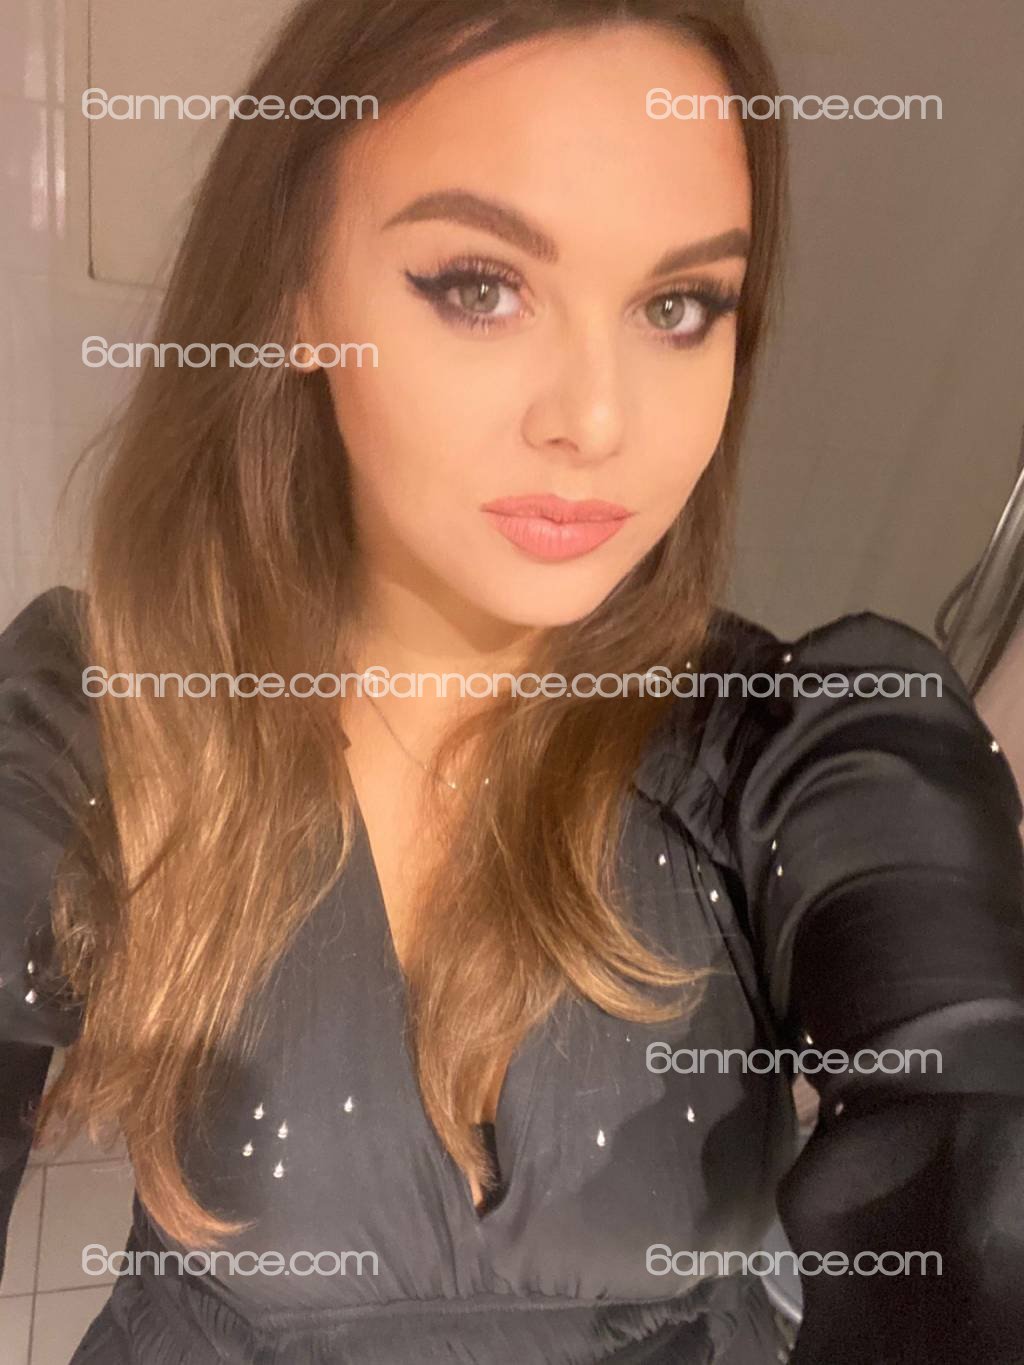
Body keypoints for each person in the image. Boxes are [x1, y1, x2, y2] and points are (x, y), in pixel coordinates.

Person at [1, 1, 1023, 1361]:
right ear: (292, 293)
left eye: (677, 306)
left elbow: (973, 1164)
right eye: (481, 286)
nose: (596, 418)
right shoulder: (113, 707)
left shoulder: (802, 740)